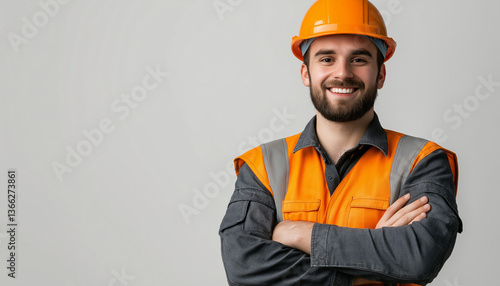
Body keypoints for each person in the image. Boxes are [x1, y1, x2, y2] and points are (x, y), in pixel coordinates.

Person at [219, 0, 462, 285]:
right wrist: (366, 271)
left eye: (359, 59)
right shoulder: (264, 165)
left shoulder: (422, 160)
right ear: (306, 74)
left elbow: (419, 257)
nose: (343, 72)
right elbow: (243, 266)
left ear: (380, 74)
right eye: (326, 58)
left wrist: (299, 234)